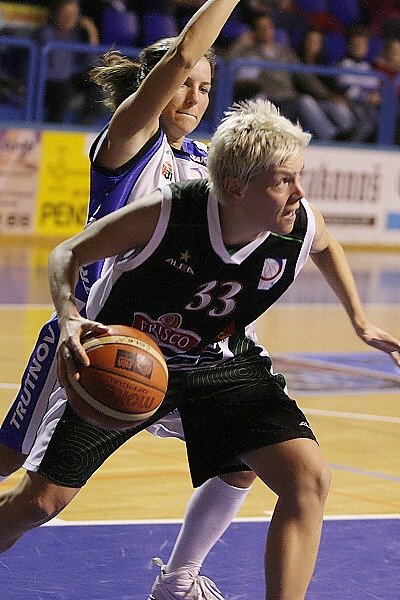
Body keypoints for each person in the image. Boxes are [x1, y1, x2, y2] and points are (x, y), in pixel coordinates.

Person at [36, 98, 399, 599]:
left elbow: (326, 244)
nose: (300, 193)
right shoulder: (172, 211)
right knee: (42, 501)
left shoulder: (298, 224)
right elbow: (67, 253)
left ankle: (178, 581)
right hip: (129, 358)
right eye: (284, 181)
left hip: (217, 362)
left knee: (306, 478)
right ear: (236, 188)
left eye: (299, 177)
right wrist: (70, 316)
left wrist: (360, 320)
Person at [0, 1, 257, 599]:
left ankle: (179, 580)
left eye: (205, 88)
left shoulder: (208, 165)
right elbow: (186, 52)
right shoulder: (130, 141)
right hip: (95, 338)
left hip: (173, 349)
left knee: (244, 454)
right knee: (30, 487)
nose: (194, 97)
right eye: (184, 83)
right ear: (154, 85)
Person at [228, 12, 357, 141]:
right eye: (262, 27)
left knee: (331, 104)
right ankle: (331, 137)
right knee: (305, 101)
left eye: (269, 26)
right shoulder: (250, 53)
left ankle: (351, 134)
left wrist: (327, 94)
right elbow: (228, 64)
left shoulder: (285, 52)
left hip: (291, 98)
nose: (267, 30)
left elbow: (305, 77)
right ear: (254, 31)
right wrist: (240, 43)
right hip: (273, 102)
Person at [34, 0, 103, 124]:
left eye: (73, 15)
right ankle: (54, 127)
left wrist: (92, 33)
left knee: (95, 80)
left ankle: (87, 124)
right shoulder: (46, 33)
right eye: (65, 14)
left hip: (67, 80)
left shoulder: (75, 36)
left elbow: (91, 63)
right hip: (47, 82)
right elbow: (57, 69)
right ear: (56, 14)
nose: (69, 18)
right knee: (64, 90)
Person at [334, 25, 381, 142]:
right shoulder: (343, 64)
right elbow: (346, 89)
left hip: (368, 106)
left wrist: (376, 96)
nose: (359, 48)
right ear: (349, 45)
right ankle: (350, 147)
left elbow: (375, 87)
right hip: (351, 104)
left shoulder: (368, 67)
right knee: (365, 124)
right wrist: (366, 97)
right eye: (356, 44)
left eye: (362, 45)